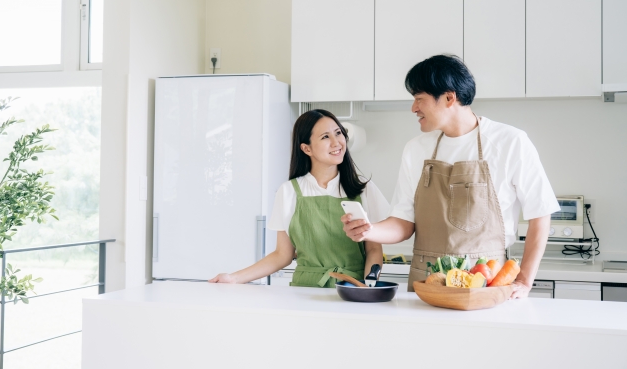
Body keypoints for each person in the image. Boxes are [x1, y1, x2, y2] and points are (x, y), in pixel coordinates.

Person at [342, 54, 560, 299]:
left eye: (419, 99)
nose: (413, 108)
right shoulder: (416, 149)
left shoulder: (510, 142)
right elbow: (403, 222)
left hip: (486, 280)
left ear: (448, 97)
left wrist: (524, 279)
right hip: (427, 281)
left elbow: (540, 214)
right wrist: (369, 231)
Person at [210, 109, 389, 287]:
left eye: (338, 133)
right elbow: (282, 255)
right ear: (306, 148)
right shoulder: (289, 191)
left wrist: (368, 288)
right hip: (303, 291)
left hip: (351, 289)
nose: (337, 142)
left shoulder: (364, 189)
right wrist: (233, 278)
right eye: (325, 137)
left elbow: (374, 249)